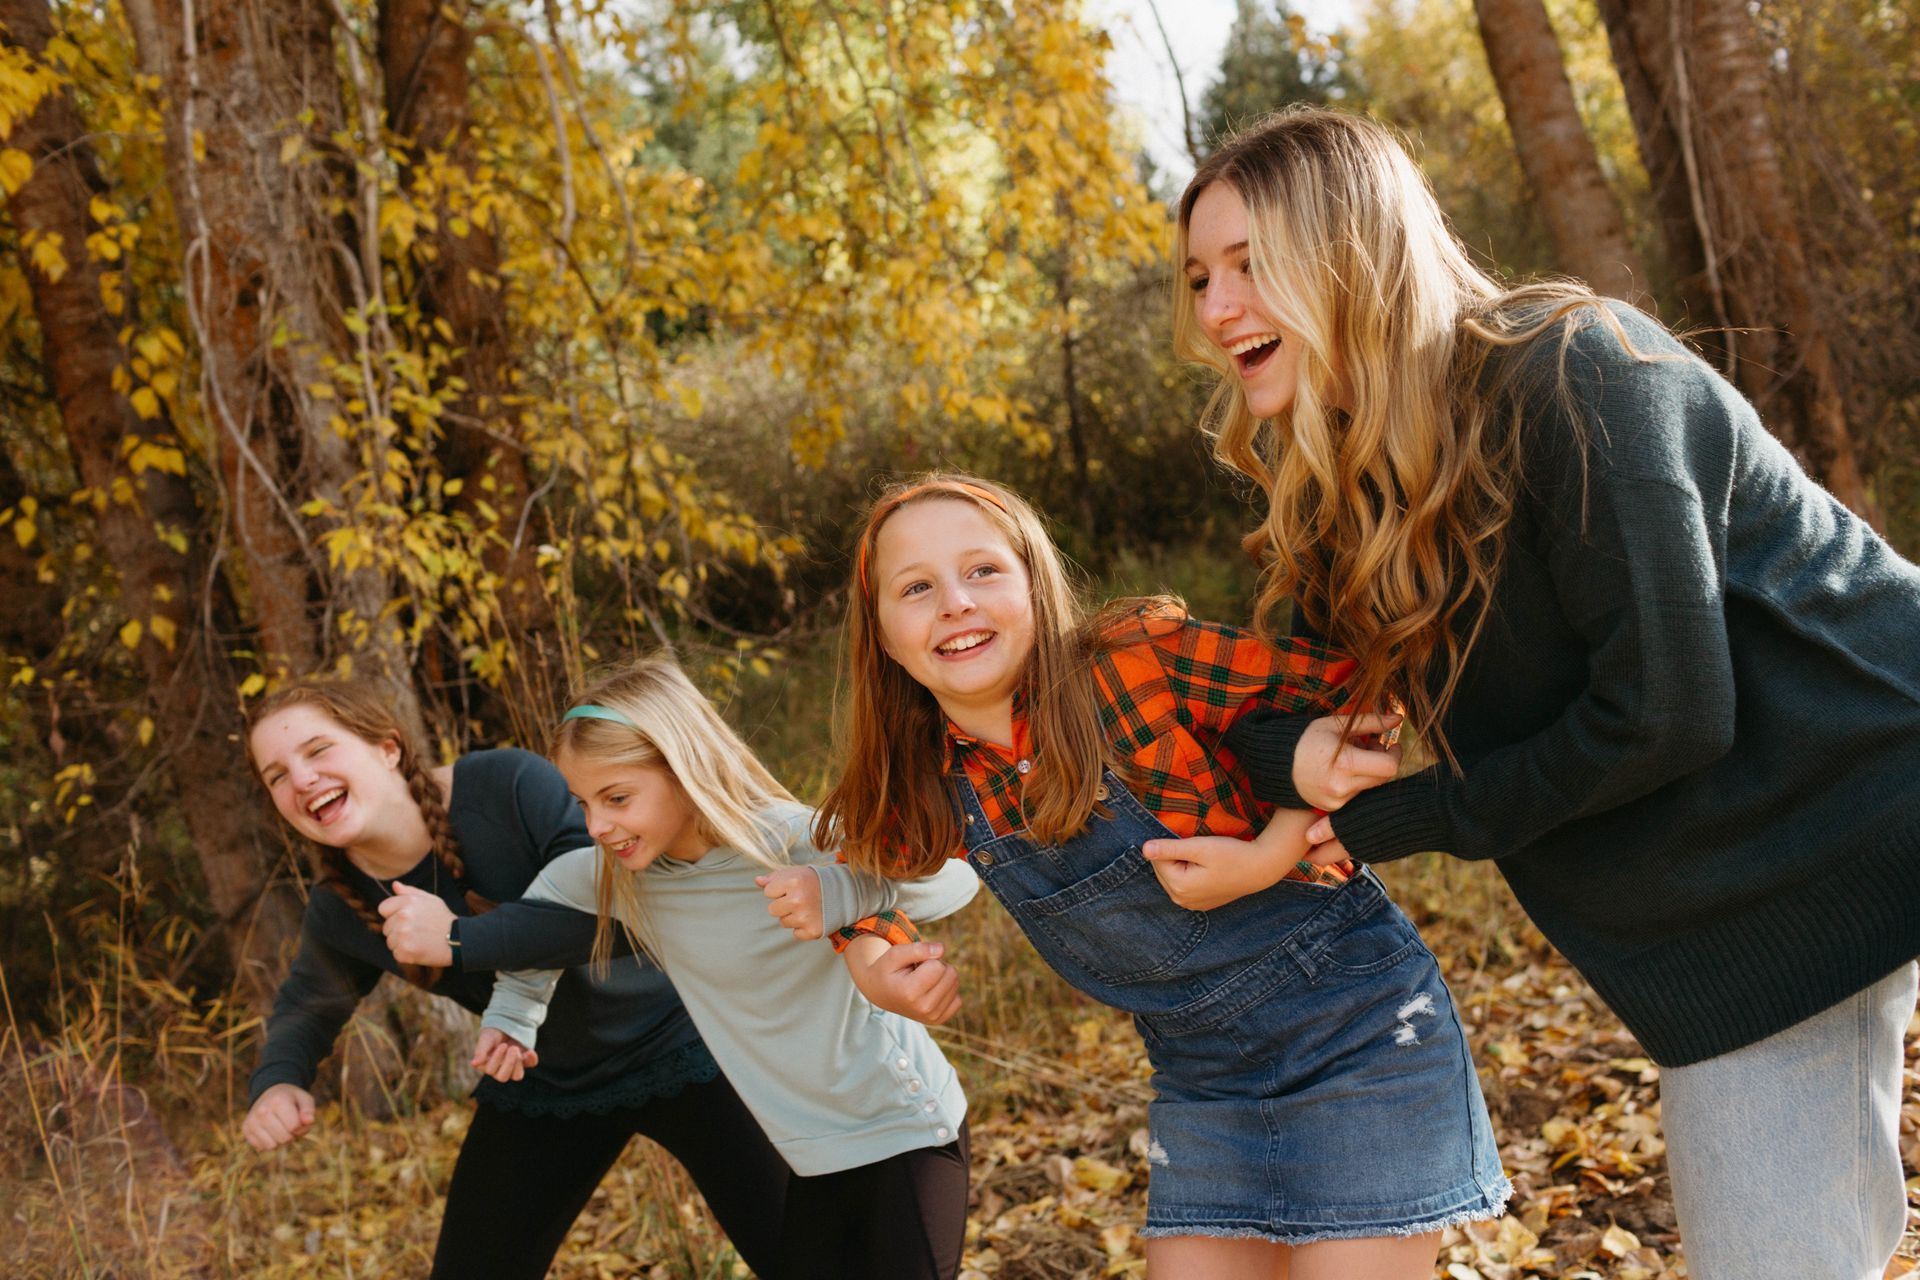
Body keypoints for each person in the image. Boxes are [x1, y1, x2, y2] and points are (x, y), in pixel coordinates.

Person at [1159, 105, 1920, 1280]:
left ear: (1352, 249)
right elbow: (1272, 713)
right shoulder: (1340, 492)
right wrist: (1295, 767)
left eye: (1251, 266)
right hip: (1726, 930)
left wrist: (1376, 822)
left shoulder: (1577, 370)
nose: (1213, 310)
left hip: (1876, 790)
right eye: (1201, 275)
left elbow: (1666, 707)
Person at [776, 473, 1510, 1279]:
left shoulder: (1136, 666)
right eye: (916, 587)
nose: (955, 600)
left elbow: (1362, 707)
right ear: (882, 635)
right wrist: (871, 963)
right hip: (1204, 1081)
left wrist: (1269, 853)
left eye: (983, 569)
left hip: (1361, 1034)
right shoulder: (931, 780)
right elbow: (852, 872)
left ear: (1034, 583)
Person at [387, 655, 981, 1280]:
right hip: (812, 1155)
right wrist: (513, 1017)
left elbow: (956, 880)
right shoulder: (620, 875)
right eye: (583, 802)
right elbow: (540, 926)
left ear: (683, 767)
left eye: (616, 797)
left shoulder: (789, 839)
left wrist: (834, 891)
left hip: (903, 1130)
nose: (596, 825)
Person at [242, 679, 789, 1279]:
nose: (301, 779)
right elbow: (308, 1004)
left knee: (804, 1256)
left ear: (388, 748)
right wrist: (278, 1081)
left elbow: (624, 905)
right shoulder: (342, 904)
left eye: (318, 751)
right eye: (276, 776)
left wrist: (460, 939)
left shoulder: (503, 786)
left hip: (685, 1041)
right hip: (541, 1081)